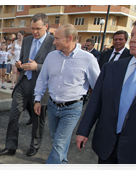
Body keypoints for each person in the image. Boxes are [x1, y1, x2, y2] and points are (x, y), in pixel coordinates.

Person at [76, 16, 136, 170]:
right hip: (107, 145)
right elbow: (96, 101)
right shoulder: (111, 68)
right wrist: (83, 131)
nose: (133, 40)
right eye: (133, 35)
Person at [34, 24, 100, 170]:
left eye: (57, 38)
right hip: (52, 106)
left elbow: (98, 86)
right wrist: (37, 99)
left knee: (59, 142)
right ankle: (62, 160)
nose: (53, 41)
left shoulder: (88, 59)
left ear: (70, 38)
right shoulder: (51, 57)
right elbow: (42, 79)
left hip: (72, 109)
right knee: (56, 139)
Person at [0, 13, 55, 157]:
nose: (34, 31)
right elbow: (22, 60)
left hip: (40, 87)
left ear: (46, 26)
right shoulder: (27, 41)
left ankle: (34, 145)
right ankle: (10, 147)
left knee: (37, 118)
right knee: (14, 116)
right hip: (23, 83)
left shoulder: (53, 42)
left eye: (38, 28)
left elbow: (54, 66)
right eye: (32, 28)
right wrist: (19, 64)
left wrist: (37, 67)